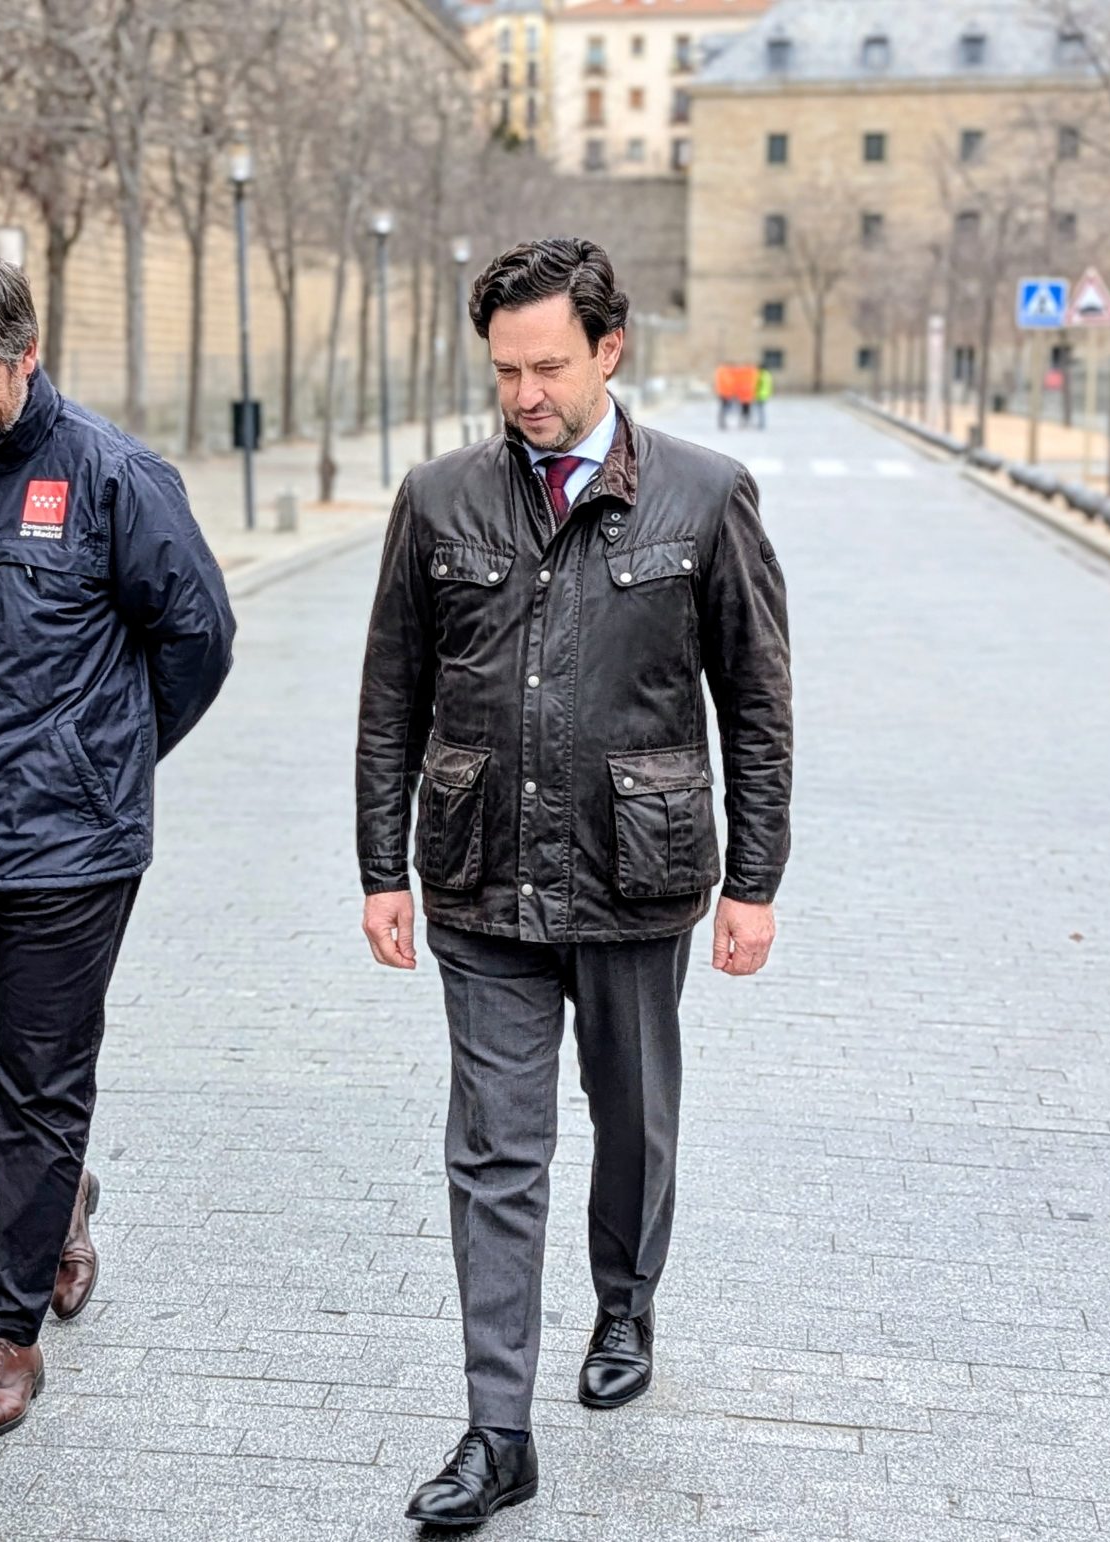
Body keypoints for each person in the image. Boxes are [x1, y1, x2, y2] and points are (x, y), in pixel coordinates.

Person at [355, 238, 793, 1528]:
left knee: (632, 1118)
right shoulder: (437, 501)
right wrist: (383, 867)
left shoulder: (707, 496)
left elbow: (754, 706)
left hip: (635, 876)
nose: (526, 392)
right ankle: (498, 1433)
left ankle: (625, 1300)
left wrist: (751, 881)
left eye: (548, 366)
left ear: (609, 350)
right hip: (481, 878)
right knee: (494, 1152)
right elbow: (391, 700)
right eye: (504, 370)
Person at [0, 246, 236, 1448]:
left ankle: (6, 1333)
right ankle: (59, 1190)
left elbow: (197, 637)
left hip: (71, 852)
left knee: (39, 1087)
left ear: (27, 354)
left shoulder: (115, 477)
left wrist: (102, 757)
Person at [754, 364, 774, 429]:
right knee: (762, 410)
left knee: (760, 410)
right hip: (765, 394)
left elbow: (758, 385)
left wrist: (755, 392)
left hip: (760, 394)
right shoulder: (767, 374)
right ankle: (762, 423)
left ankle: (761, 423)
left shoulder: (761, 375)